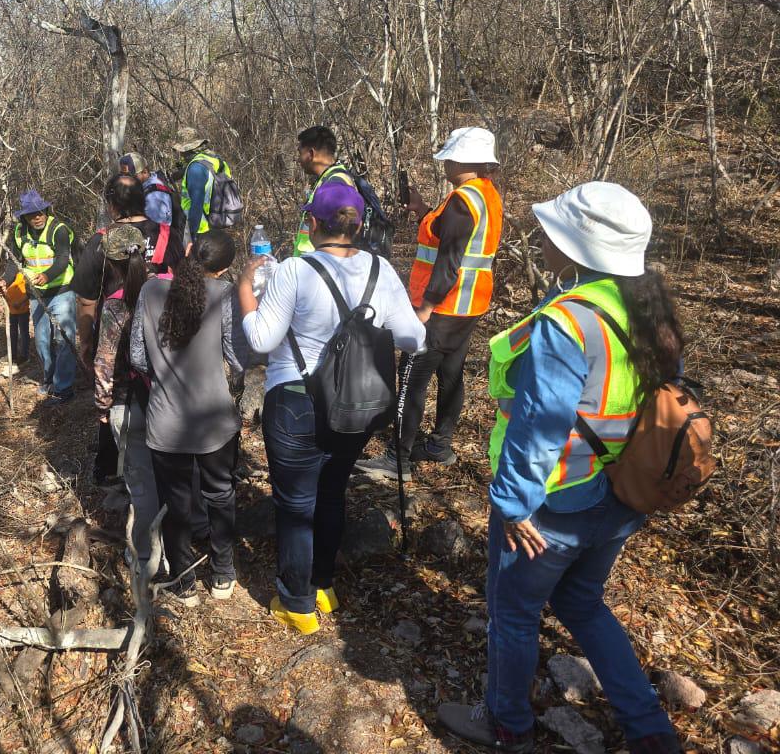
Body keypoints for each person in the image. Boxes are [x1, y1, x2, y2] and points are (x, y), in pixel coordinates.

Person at [436, 182, 684, 754]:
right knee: (581, 601)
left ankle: (507, 724)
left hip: (555, 502)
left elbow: (539, 427)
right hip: (622, 495)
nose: (541, 237)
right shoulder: (646, 307)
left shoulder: (569, 321)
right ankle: (649, 729)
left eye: (551, 231)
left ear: (577, 247)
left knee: (514, 613)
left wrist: (513, 504)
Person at [239, 183, 425, 634]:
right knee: (331, 491)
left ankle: (298, 604)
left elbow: (261, 340)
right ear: (359, 225)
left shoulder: (294, 272)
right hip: (355, 407)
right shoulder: (381, 270)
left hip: (296, 402)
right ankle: (324, 584)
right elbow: (414, 340)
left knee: (296, 503)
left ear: (313, 224)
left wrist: (245, 287)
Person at [357, 126, 503, 481]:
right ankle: (440, 445)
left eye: (449, 157)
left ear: (462, 160)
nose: (445, 163)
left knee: (411, 378)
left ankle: (399, 458)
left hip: (443, 308)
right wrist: (424, 210)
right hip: (469, 306)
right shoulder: (483, 194)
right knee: (451, 375)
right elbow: (452, 241)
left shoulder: (461, 202)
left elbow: (449, 262)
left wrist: (424, 309)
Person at [131, 229, 243, 605]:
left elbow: (137, 357)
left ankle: (183, 582)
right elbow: (237, 356)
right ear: (224, 269)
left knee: (176, 504)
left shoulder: (149, 292)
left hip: (166, 423)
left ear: (190, 250)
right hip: (215, 420)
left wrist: (164, 372)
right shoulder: (224, 295)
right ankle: (223, 574)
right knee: (220, 494)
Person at [72, 173, 177, 481]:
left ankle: (111, 470)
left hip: (117, 340)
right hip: (166, 341)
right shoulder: (168, 234)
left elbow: (87, 301)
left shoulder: (101, 241)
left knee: (118, 404)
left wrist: (86, 342)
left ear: (111, 204)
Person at [0, 190, 76, 402]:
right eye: (32, 214)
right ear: (24, 217)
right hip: (36, 295)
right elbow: (15, 261)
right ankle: (49, 379)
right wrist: (6, 279)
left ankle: (63, 388)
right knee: (42, 341)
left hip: (62, 292)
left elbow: (62, 259)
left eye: (40, 212)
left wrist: (46, 276)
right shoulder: (19, 233)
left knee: (64, 339)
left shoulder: (58, 230)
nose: (37, 217)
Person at [294, 126, 393, 257]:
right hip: (314, 266)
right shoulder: (328, 179)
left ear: (311, 154)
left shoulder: (336, 184)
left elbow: (340, 237)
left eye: (300, 153)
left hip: (321, 269)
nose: (298, 159)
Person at [171, 127, 233, 243]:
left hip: (201, 229)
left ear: (186, 150)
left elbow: (196, 204)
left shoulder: (195, 169)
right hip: (218, 221)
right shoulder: (214, 159)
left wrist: (192, 237)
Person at [119, 152, 177, 232]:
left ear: (145, 172)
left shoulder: (154, 197)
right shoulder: (143, 186)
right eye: (123, 175)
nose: (125, 180)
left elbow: (154, 233)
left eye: (130, 176)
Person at [1, 271, 30, 369]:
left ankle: (24, 356)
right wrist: (3, 293)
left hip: (23, 309)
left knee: (23, 332)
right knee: (12, 332)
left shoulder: (23, 274)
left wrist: (20, 303)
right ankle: (12, 355)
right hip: (12, 311)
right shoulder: (7, 277)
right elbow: (6, 293)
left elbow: (29, 293)